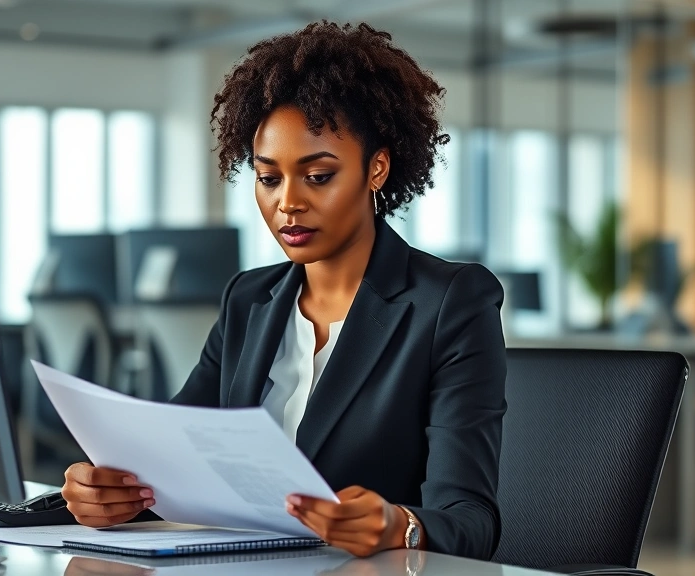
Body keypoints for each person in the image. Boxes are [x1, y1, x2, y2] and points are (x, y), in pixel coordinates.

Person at [60, 21, 507, 560]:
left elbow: (472, 522)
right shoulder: (248, 300)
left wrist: (400, 525)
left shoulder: (449, 302)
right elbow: (169, 458)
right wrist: (107, 492)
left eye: (317, 176)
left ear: (377, 168)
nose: (287, 202)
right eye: (269, 178)